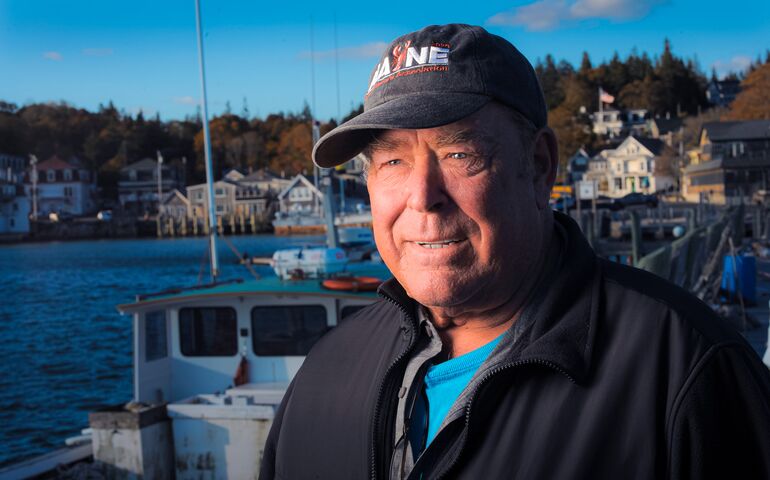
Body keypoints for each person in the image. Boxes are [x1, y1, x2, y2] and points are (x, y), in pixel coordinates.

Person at [260, 24, 770, 479]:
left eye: (459, 154)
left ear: (540, 166)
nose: (422, 196)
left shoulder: (687, 373)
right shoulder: (326, 371)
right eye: (392, 161)